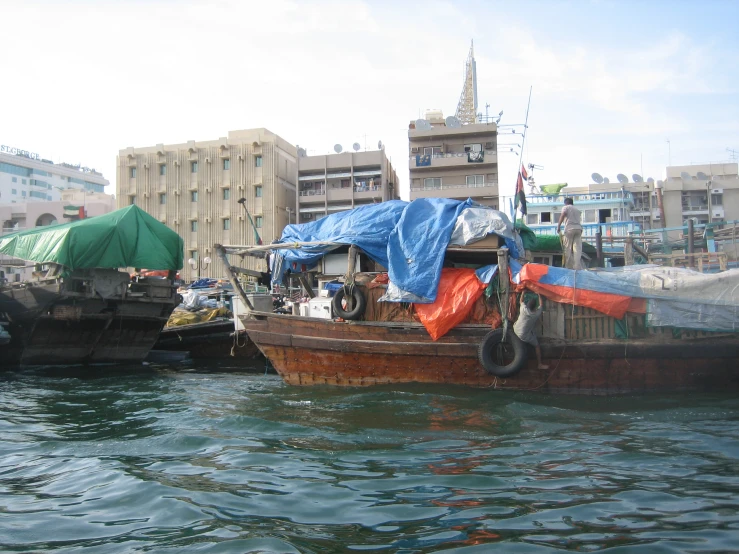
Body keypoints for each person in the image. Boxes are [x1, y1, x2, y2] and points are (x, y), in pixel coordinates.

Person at [514, 291, 549, 370]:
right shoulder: (536, 314)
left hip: (515, 329)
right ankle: (539, 364)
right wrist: (539, 294)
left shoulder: (523, 309)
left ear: (528, 305)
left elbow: (521, 301)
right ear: (534, 308)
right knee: (537, 346)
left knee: (519, 323)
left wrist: (523, 292)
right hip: (523, 335)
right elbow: (541, 304)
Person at [557, 197, 583, 270]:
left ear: (566, 203)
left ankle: (568, 267)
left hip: (569, 229)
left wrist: (558, 226)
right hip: (578, 229)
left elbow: (563, 215)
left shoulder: (566, 207)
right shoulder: (577, 210)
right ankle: (577, 266)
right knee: (577, 249)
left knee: (567, 248)